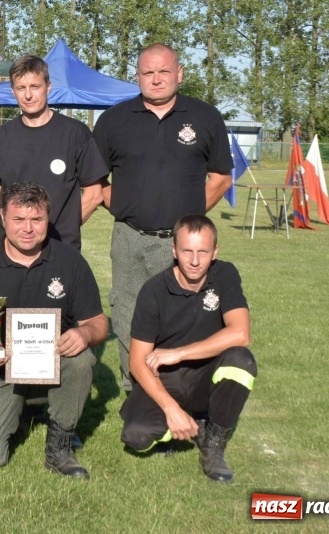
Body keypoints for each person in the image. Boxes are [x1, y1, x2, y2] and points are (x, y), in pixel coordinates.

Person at [0, 182, 108, 478]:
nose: (27, 228)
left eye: (37, 219)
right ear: (2, 217)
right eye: (18, 219)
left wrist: (84, 334)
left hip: (53, 366)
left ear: (48, 219)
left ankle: (60, 442)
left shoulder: (70, 262)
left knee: (81, 361)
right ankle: (18, 408)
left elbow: (98, 323)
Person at [92, 43, 234, 392]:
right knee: (126, 314)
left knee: (181, 317)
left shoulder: (205, 117)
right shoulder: (114, 120)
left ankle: (179, 388)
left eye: (164, 72)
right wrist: (124, 207)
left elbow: (221, 177)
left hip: (180, 243)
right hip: (129, 238)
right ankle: (135, 391)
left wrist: (189, 222)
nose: (156, 80)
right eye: (147, 73)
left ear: (179, 74)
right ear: (137, 77)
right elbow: (95, 179)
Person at [120, 215, 257, 483]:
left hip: (205, 375)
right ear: (174, 251)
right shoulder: (154, 291)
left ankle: (213, 445)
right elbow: (137, 361)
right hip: (166, 379)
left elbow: (241, 334)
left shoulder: (225, 274)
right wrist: (171, 408)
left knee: (241, 360)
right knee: (136, 436)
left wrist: (179, 352)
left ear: (215, 252)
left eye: (203, 251)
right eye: (187, 251)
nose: (195, 261)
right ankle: (186, 423)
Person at [0, 55, 108, 251]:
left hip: (61, 248)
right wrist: (23, 233)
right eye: (21, 88)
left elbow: (94, 194)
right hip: (10, 250)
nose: (28, 95)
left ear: (48, 87)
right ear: (12, 91)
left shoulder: (75, 134)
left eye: (35, 86)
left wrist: (63, 228)